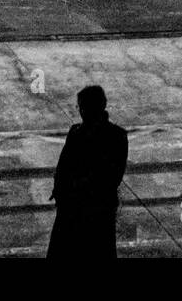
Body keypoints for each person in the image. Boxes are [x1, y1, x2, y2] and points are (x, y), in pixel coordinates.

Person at [46, 85, 128, 260]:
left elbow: (110, 177)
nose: (82, 112)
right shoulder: (115, 135)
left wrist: (66, 190)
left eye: (84, 107)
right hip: (91, 207)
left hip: (87, 207)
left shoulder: (79, 132)